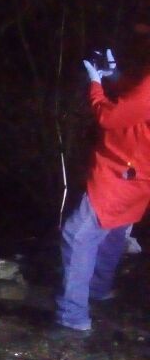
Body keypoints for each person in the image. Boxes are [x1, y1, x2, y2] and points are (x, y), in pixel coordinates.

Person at [56, 46, 150, 334]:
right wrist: (115, 76)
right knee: (115, 230)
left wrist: (96, 85)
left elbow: (109, 118)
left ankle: (72, 317)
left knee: (77, 234)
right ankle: (99, 288)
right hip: (141, 176)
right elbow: (139, 101)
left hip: (121, 173)